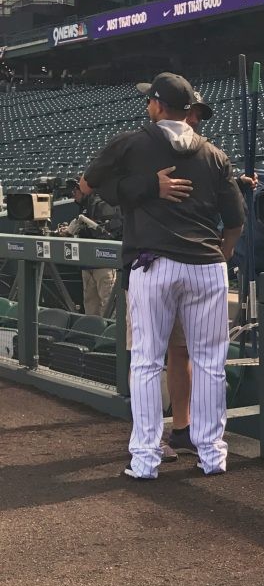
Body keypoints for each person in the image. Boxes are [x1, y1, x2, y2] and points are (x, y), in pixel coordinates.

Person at [79, 72, 245, 480]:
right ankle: (212, 456)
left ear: (156, 105)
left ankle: (146, 460)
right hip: (208, 268)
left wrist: (140, 187)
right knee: (210, 364)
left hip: (156, 264)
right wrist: (218, 257)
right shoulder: (214, 153)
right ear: (189, 111)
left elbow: (86, 186)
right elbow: (236, 220)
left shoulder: (133, 141)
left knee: (147, 362)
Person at [97, 91, 218, 462]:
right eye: (192, 112)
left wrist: (241, 184)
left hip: (190, 267)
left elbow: (227, 204)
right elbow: (96, 188)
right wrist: (151, 186)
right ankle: (149, 443)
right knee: (149, 358)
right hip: (155, 262)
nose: (194, 120)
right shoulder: (137, 147)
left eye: (197, 114)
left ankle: (181, 432)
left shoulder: (206, 154)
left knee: (182, 354)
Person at [60, 181, 122, 316]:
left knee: (108, 305)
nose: (73, 195)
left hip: (103, 263)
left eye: (74, 191)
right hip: (87, 265)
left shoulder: (102, 203)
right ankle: (92, 335)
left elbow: (111, 232)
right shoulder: (84, 206)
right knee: (90, 305)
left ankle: (110, 335)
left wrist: (85, 227)